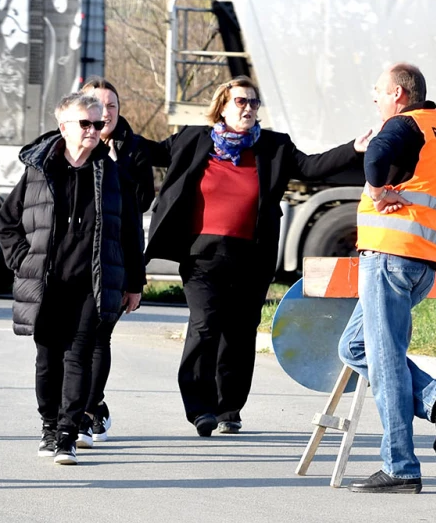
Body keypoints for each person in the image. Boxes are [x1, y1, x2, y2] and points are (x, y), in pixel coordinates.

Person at [145, 75, 367, 437]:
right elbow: (153, 152)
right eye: (240, 102)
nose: (248, 108)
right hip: (202, 257)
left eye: (253, 102)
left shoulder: (273, 147)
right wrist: (111, 127)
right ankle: (200, 409)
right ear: (222, 106)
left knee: (240, 333)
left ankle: (229, 408)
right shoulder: (193, 139)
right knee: (204, 328)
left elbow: (312, 167)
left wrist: (354, 147)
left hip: (251, 256)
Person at [335, 63, 436, 494]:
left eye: (377, 91)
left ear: (397, 92)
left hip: (390, 260)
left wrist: (376, 191)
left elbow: (377, 156)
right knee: (354, 347)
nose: (373, 98)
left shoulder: (403, 124)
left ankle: (400, 467)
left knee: (386, 359)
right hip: (418, 262)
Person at [0, 92, 144, 464]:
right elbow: (7, 223)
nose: (94, 130)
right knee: (48, 359)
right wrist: (22, 261)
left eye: (99, 124)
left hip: (90, 285)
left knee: (78, 356)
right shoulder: (39, 170)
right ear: (64, 127)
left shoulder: (111, 173)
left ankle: (67, 434)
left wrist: (133, 283)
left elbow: (129, 232)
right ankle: (49, 424)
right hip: (48, 284)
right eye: (86, 123)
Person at [72, 78, 152, 445]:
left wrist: (118, 168)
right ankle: (86, 405)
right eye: (97, 106)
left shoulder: (133, 150)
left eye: (112, 107)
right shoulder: (67, 147)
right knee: (74, 343)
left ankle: (86, 415)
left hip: (115, 261)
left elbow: (142, 204)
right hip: (74, 263)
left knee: (99, 337)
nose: (105, 113)